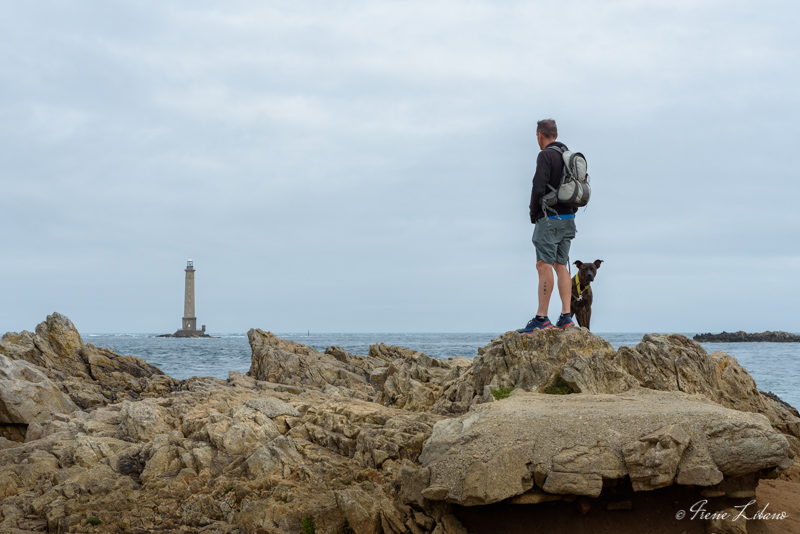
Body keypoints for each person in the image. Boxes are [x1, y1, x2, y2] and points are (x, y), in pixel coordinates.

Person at [518, 119, 577, 333]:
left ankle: (541, 317)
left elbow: (538, 187)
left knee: (543, 265)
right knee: (561, 265)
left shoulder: (546, 155)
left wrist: (534, 214)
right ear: (557, 135)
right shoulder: (569, 156)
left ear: (540, 135)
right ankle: (566, 316)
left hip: (549, 219)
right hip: (569, 219)